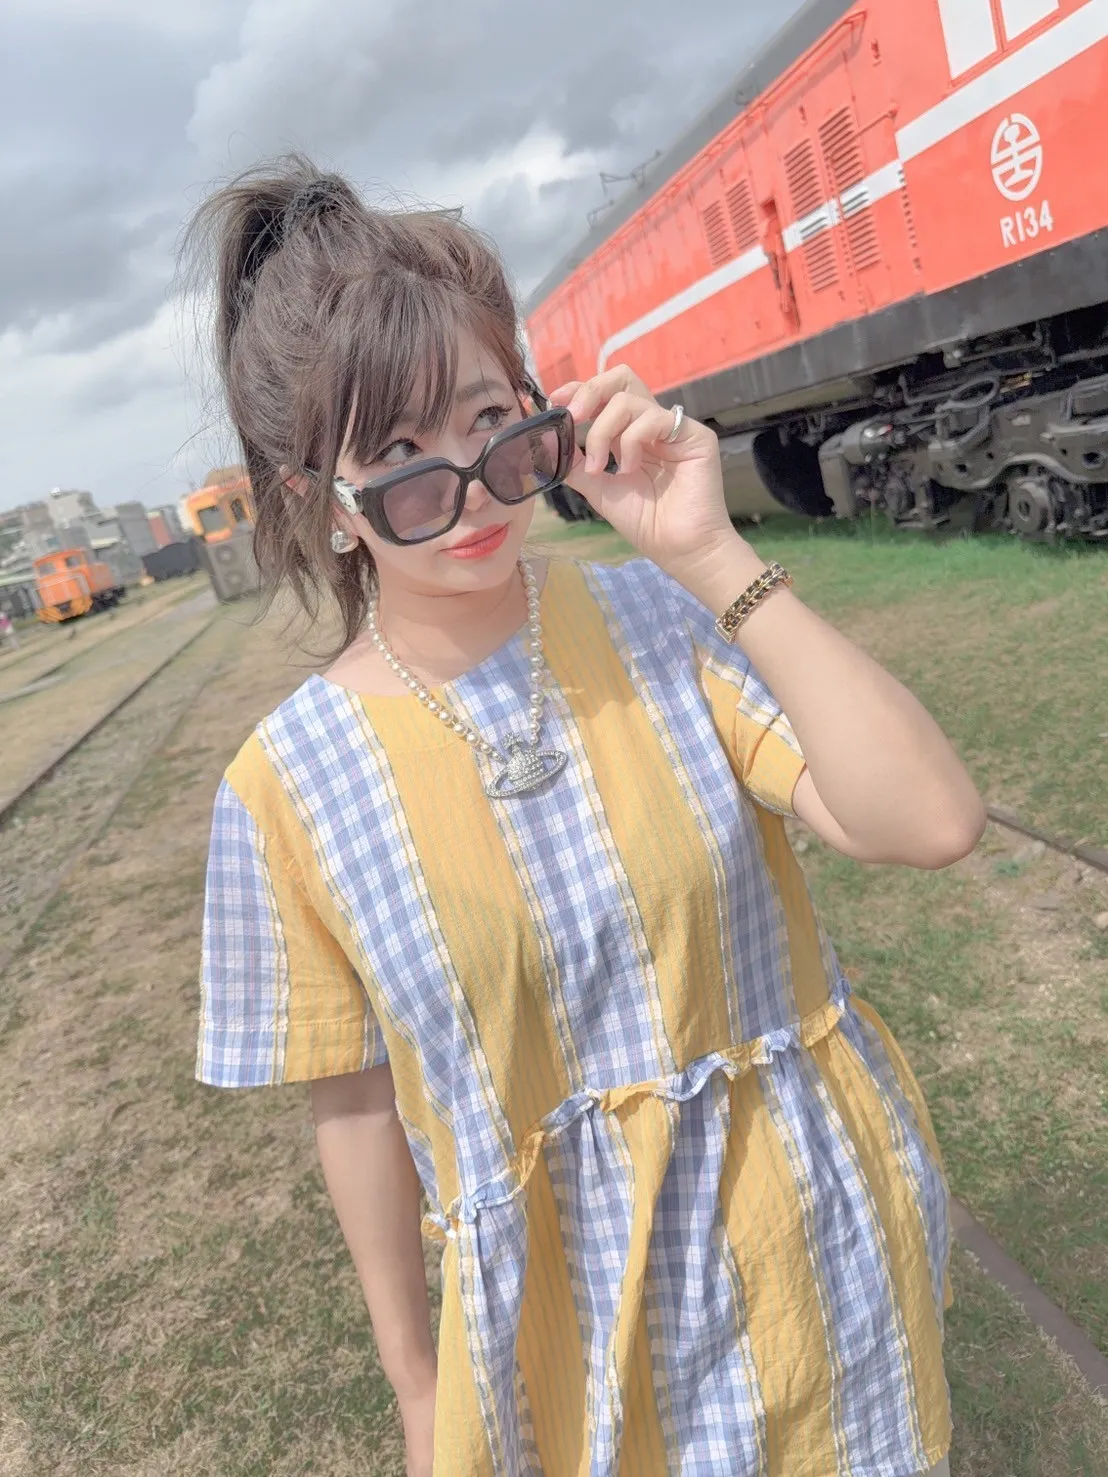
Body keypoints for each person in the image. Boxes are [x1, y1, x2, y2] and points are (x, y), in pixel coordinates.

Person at [193, 156, 983, 1477]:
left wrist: (710, 554)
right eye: (400, 460)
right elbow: (357, 1106)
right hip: (558, 1331)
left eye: (493, 423)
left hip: (814, 1265)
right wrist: (416, 1385)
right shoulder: (282, 790)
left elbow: (931, 819)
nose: (471, 489)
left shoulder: (662, 620)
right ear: (314, 507)